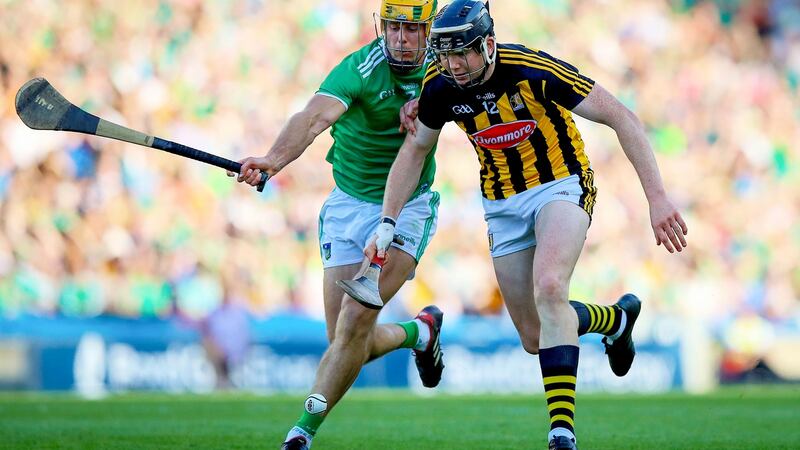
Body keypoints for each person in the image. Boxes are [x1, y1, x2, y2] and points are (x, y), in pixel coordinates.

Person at [364, 1, 688, 449]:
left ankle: (561, 432)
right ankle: (614, 320)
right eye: (446, 55)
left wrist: (657, 197)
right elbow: (415, 150)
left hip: (560, 182)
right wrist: (387, 220)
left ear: (488, 45)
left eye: (463, 53)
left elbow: (621, 116)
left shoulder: (532, 69)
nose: (454, 65)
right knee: (535, 336)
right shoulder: (439, 84)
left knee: (550, 287)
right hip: (501, 202)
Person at [231, 1, 444, 449]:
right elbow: (313, 118)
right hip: (348, 205)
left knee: (352, 325)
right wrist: (273, 159)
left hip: (407, 206)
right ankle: (420, 332)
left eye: (411, 28)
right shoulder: (360, 69)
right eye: (393, 26)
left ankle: (300, 433)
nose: (400, 38)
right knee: (344, 342)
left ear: (429, 30)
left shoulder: (445, 67)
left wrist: (428, 106)